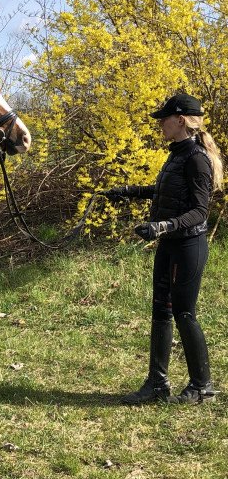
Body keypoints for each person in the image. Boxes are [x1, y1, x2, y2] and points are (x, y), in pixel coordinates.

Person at [103, 93, 223, 405]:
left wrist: (162, 226)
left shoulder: (197, 158)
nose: (160, 124)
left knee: (184, 312)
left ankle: (203, 386)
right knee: (161, 311)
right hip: (170, 246)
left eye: (164, 119)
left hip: (188, 246)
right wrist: (129, 192)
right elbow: (167, 190)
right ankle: (157, 384)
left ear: (181, 120)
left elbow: (200, 210)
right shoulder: (178, 154)